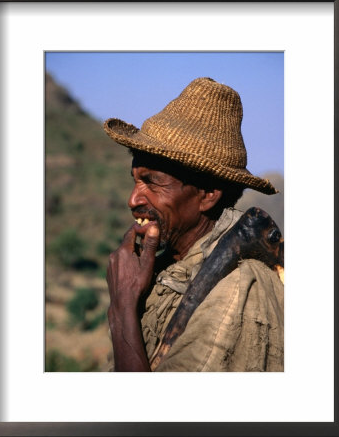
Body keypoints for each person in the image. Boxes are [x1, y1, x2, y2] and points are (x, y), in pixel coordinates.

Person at [103, 77, 284, 372]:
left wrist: (122, 308)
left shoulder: (234, 293)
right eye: (135, 180)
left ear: (207, 195)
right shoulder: (164, 271)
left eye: (152, 182)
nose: (133, 199)